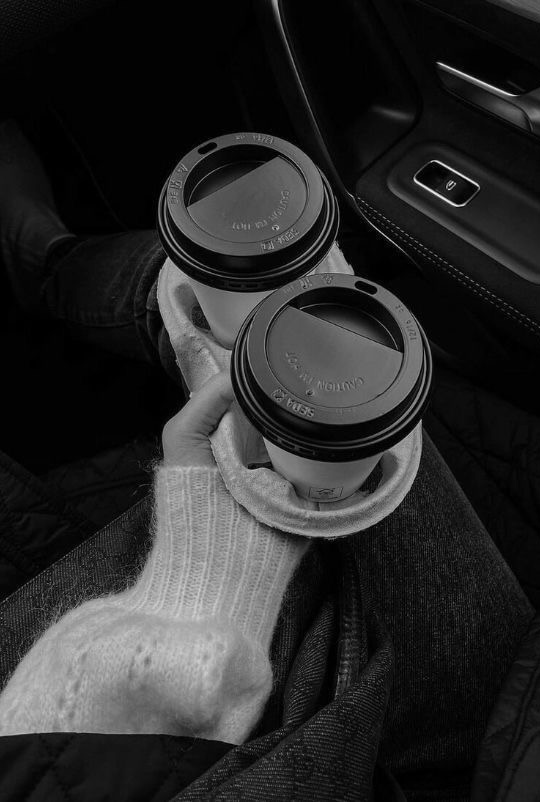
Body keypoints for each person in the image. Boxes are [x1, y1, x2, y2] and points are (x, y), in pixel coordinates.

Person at [0, 120, 535, 801]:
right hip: (499, 735)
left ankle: (49, 266)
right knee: (289, 335)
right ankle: (58, 269)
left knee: (242, 332)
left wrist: (210, 573)